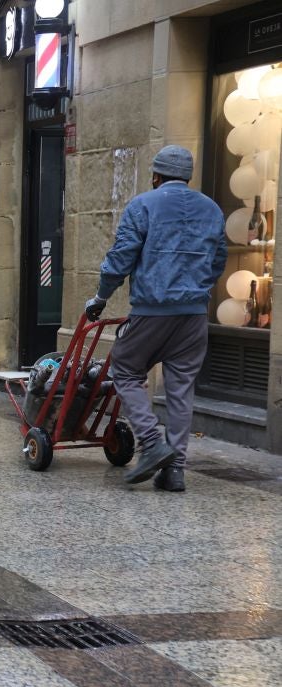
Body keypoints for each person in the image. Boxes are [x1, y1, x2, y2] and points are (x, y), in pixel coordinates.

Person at [86, 145, 226, 491]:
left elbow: (120, 259)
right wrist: (196, 289)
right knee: (180, 390)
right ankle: (174, 470)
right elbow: (218, 260)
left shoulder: (143, 205)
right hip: (193, 316)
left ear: (155, 176)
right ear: (188, 176)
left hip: (153, 311)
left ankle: (151, 443)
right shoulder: (211, 208)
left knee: (124, 368)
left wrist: (100, 297)